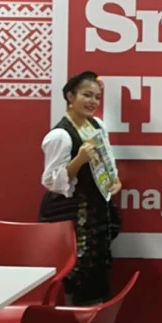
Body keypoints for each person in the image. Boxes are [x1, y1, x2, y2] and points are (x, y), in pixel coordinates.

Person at [38, 70, 122, 306]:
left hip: (97, 212)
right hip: (71, 214)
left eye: (97, 97)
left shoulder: (97, 125)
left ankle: (93, 319)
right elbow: (51, 182)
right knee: (75, 273)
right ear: (70, 96)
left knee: (98, 272)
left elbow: (107, 159)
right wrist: (78, 160)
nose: (92, 101)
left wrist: (114, 180)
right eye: (87, 95)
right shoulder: (60, 136)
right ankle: (72, 319)